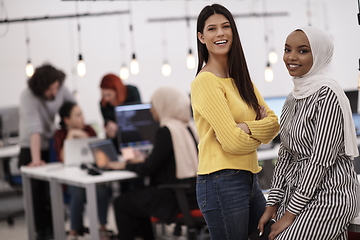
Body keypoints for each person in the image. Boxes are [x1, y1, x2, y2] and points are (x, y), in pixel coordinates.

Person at [258, 26, 360, 240]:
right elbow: (285, 155)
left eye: (303, 51)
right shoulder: (291, 98)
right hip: (298, 193)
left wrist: (290, 214)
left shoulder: (328, 96)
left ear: (320, 55)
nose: (291, 57)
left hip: (330, 195)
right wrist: (272, 204)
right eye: (287, 50)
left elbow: (319, 161)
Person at [190, 4, 280, 240]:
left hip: (249, 178)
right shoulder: (205, 82)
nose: (220, 33)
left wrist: (247, 128)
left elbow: (274, 124)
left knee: (271, 235)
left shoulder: (241, 79)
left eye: (225, 26)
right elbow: (231, 142)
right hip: (221, 181)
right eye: (212, 29)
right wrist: (253, 129)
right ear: (201, 37)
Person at [108, 86, 199, 240]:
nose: (151, 111)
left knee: (121, 202)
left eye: (153, 105)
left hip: (172, 196)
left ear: (165, 105)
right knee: (137, 200)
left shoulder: (166, 130)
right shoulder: (188, 127)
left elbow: (148, 168)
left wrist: (125, 165)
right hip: (192, 194)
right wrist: (143, 160)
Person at [18, 63, 75, 240]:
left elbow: (73, 109)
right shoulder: (28, 96)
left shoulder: (61, 88)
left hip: (50, 142)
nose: (55, 93)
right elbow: (35, 129)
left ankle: (55, 228)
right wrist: (36, 160)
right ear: (40, 88)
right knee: (37, 192)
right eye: (50, 90)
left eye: (56, 88)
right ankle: (41, 231)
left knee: (53, 190)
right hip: (30, 146)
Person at [53, 102, 111, 240]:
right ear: (67, 120)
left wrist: (86, 138)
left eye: (82, 114)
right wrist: (71, 135)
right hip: (71, 177)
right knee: (77, 192)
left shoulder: (89, 130)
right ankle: (73, 231)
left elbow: (99, 154)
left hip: (90, 173)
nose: (82, 118)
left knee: (101, 189)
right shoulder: (60, 134)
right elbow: (63, 158)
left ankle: (102, 228)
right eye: (78, 115)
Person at [100, 73, 141, 149]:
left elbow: (139, 117)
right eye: (103, 95)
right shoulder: (104, 104)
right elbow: (107, 123)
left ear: (118, 91)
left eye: (109, 95)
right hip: (118, 144)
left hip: (136, 141)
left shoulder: (132, 92)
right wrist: (109, 130)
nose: (106, 99)